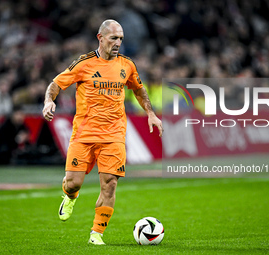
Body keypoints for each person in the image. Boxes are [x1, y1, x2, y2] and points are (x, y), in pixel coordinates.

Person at [42, 19, 163, 245]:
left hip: (114, 134)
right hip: (84, 133)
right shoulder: (84, 63)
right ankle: (69, 196)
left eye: (121, 39)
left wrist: (150, 113)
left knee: (110, 183)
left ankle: (96, 234)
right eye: (113, 38)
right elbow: (56, 84)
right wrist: (49, 101)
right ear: (101, 38)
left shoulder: (127, 65)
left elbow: (138, 89)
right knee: (73, 183)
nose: (118, 43)